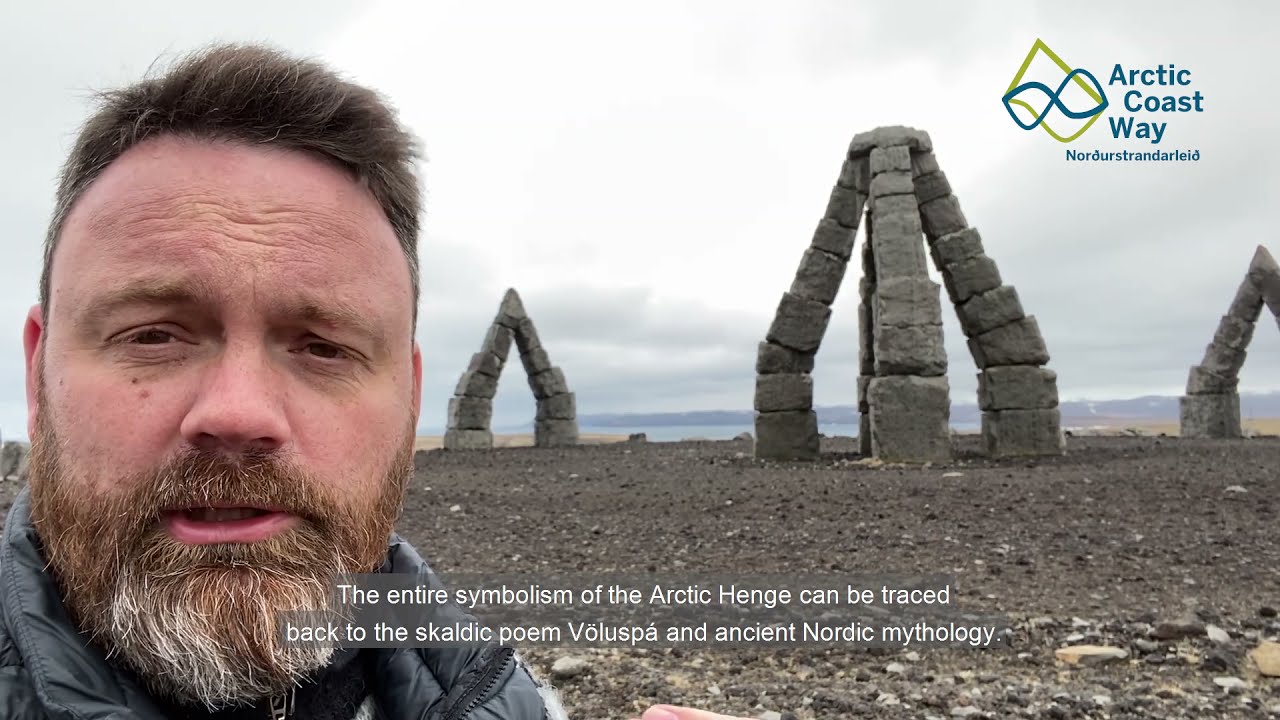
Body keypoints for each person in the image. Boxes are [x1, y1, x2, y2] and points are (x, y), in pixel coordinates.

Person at [0, 42, 752, 720]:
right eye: (153, 335)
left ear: (412, 399)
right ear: (37, 379)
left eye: (323, 347)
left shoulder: (511, 702)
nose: (239, 413)